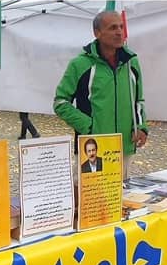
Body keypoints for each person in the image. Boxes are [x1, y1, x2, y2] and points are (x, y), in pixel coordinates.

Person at [54, 11, 148, 179]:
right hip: (93, 149)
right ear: (97, 33)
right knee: (91, 203)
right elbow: (61, 102)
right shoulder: (80, 64)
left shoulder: (131, 62)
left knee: (122, 199)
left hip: (124, 148)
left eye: (121, 27)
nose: (119, 32)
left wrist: (141, 127)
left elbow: (138, 100)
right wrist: (89, 127)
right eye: (113, 28)